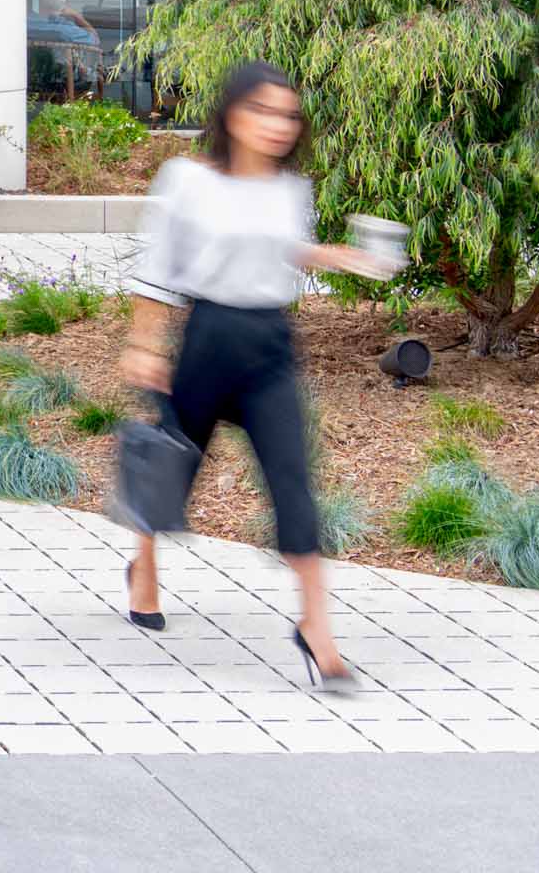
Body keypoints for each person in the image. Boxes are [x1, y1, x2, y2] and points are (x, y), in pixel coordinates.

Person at [121, 61, 388, 687]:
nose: (278, 125)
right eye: (264, 111)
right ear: (233, 114)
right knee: (170, 469)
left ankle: (316, 627)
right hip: (207, 339)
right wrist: (145, 345)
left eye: (288, 115)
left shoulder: (292, 189)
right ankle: (143, 565)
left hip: (269, 344)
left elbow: (279, 248)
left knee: (294, 481)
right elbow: (156, 265)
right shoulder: (187, 179)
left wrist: (334, 256)